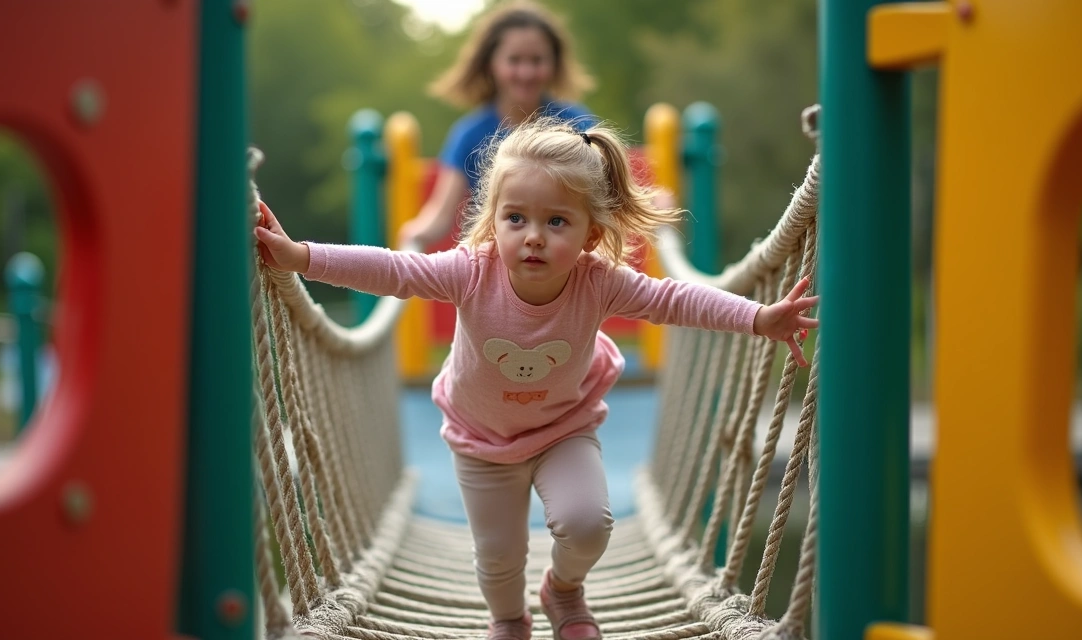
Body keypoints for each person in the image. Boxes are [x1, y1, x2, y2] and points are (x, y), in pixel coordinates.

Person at [254, 118, 819, 640]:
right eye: (515, 218)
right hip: (480, 440)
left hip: (562, 428)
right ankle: (509, 620)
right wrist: (299, 255)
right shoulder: (470, 272)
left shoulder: (599, 282)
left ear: (590, 237)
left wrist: (757, 317)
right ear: (493, 219)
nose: (533, 236)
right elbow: (393, 269)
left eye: (556, 222)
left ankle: (563, 591)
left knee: (588, 526)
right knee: (498, 558)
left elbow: (673, 298)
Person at [397, 0, 597, 249]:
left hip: (564, 267)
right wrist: (416, 234)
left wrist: (654, 201)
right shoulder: (470, 134)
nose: (526, 73)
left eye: (537, 61)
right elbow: (441, 214)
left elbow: (611, 190)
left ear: (554, 64)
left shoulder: (575, 122)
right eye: (514, 60)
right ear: (491, 64)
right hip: (499, 269)